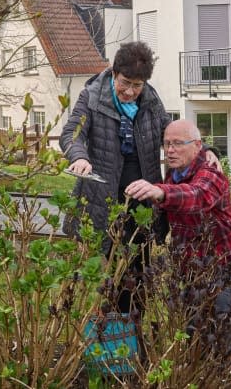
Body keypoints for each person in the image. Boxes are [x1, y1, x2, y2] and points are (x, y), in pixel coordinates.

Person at [124, 119, 231, 348]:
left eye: (177, 144)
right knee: (194, 332)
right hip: (193, 271)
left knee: (215, 331)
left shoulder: (211, 172)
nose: (171, 150)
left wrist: (161, 192)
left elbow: (197, 195)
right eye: (167, 144)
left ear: (197, 145)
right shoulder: (173, 175)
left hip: (230, 267)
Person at [60, 41, 171, 314]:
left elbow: (172, 135)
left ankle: (132, 329)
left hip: (142, 202)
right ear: (113, 73)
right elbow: (72, 133)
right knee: (105, 271)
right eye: (125, 83)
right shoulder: (92, 96)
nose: (131, 91)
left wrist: (204, 151)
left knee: (138, 270)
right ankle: (105, 331)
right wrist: (80, 156)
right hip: (102, 201)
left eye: (138, 85)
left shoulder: (152, 100)